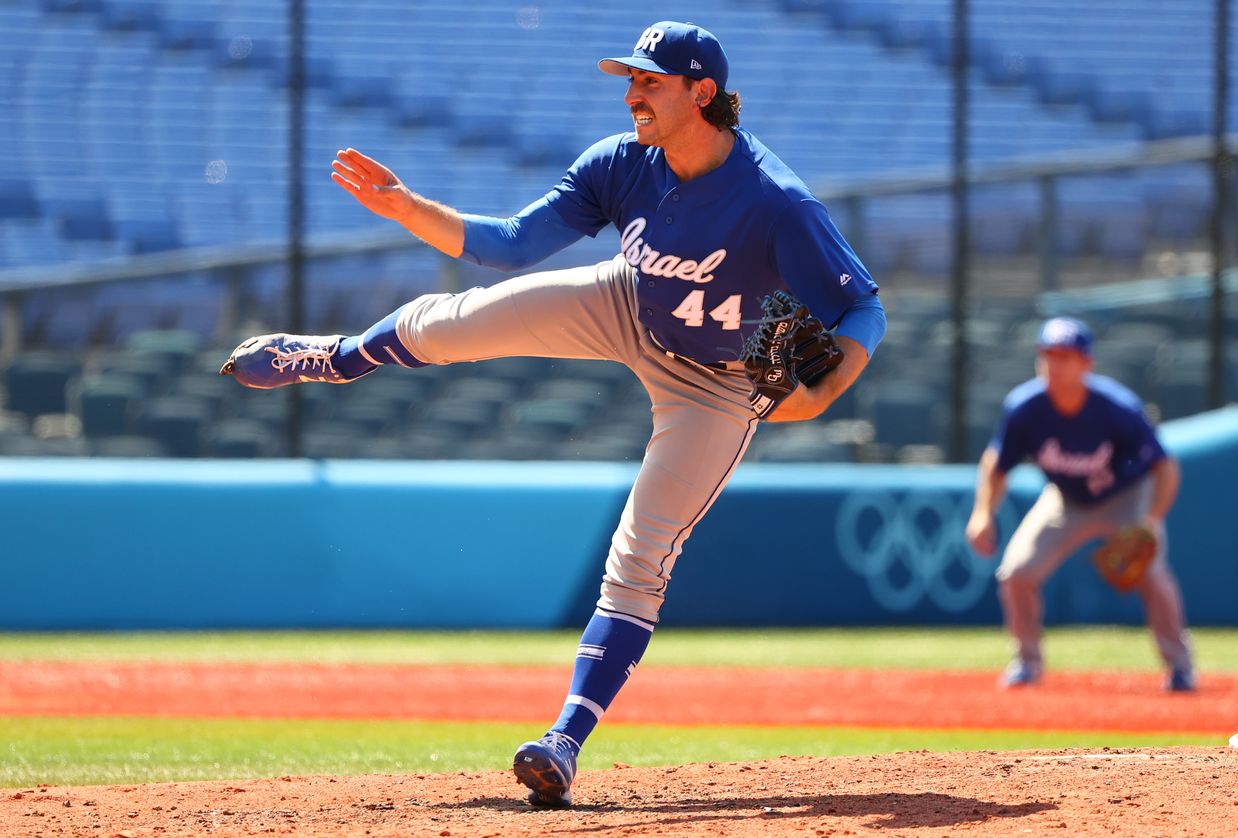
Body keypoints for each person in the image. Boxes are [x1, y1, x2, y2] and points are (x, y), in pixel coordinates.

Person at [221, 21, 886, 806]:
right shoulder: (622, 163)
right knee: (460, 319)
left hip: (718, 380)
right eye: (630, 79)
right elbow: (507, 244)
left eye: (650, 81)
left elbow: (862, 312)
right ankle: (336, 358)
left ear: (702, 93)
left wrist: (825, 388)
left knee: (641, 558)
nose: (632, 93)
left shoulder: (776, 203)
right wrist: (406, 208)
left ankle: (563, 741)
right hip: (629, 304)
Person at [964, 317, 1194, 692]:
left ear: (1087, 363)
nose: (1055, 364)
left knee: (1151, 570)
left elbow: (1166, 468)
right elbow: (996, 463)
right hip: (1065, 500)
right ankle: (1027, 662)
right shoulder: (1024, 407)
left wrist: (1151, 520)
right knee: (1016, 573)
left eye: (1065, 356)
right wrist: (982, 512)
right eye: (1048, 355)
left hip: (1126, 499)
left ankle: (1180, 666)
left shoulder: (1117, 407)